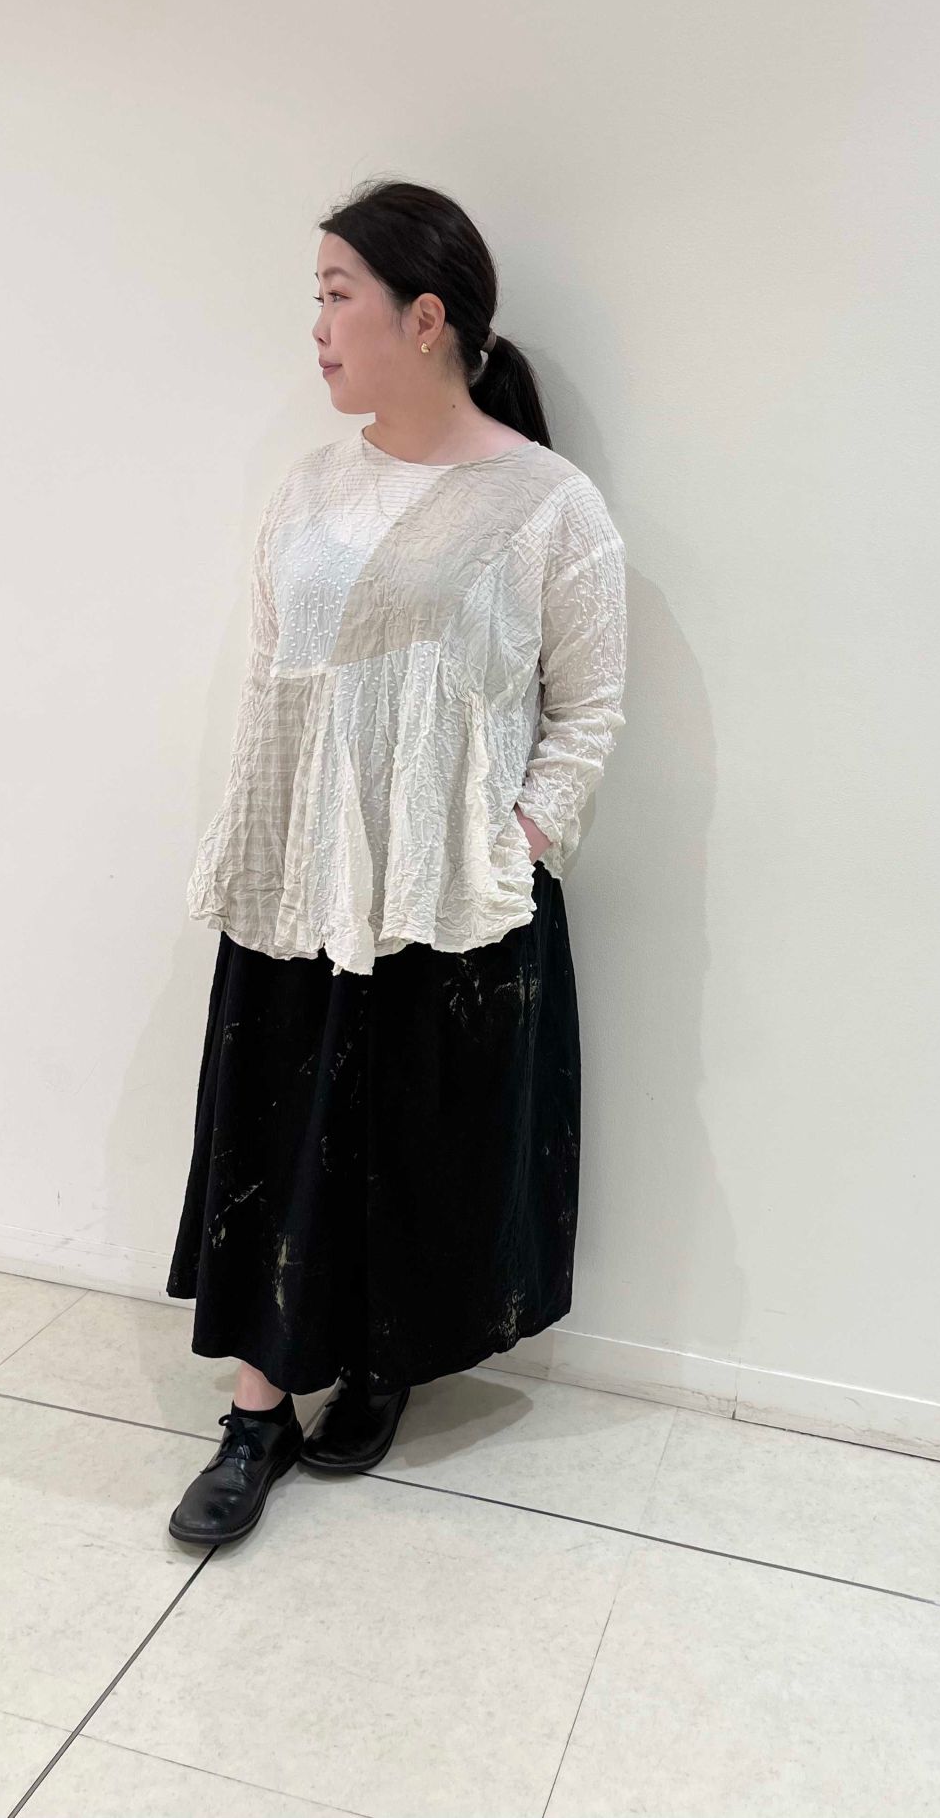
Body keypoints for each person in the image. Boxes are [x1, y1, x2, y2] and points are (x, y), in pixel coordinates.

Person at [166, 177, 628, 1547]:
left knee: (410, 1147)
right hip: (299, 883)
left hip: (449, 894)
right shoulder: (311, 487)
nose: (315, 327)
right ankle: (257, 1412)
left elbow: (589, 708)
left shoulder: (548, 504)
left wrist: (514, 841)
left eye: (336, 296)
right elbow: (276, 680)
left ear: (425, 320)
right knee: (278, 1136)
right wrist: (274, 830)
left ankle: (379, 1361)